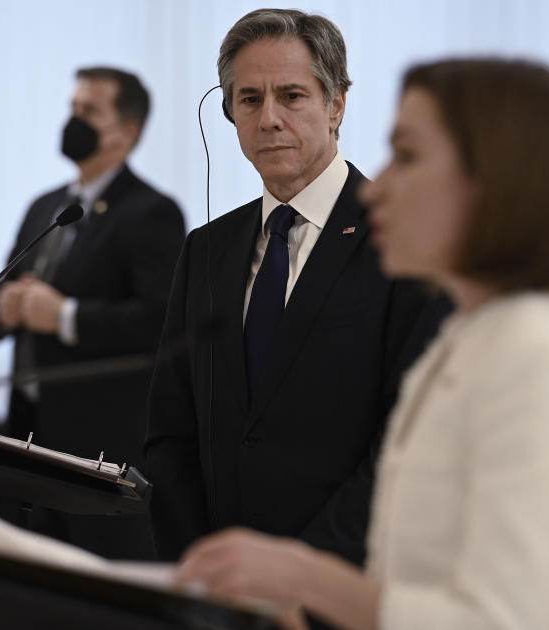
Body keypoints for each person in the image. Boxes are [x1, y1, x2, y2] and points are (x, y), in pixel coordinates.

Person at [175, 58, 549, 630]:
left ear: (500, 180)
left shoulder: (540, 356)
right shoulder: (470, 340)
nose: (378, 186)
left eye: (407, 156)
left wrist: (307, 578)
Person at [145, 8, 449, 566]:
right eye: (250, 99)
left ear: (336, 105)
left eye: (291, 96)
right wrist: (199, 565)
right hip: (218, 588)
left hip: (344, 582)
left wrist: (301, 576)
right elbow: (171, 431)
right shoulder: (205, 251)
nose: (269, 119)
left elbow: (409, 444)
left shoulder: (402, 243)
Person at [0, 66, 185, 559]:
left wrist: (66, 316)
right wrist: (7, 305)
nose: (73, 121)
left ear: (127, 132)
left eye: (89, 112)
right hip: (25, 426)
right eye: (72, 109)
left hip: (99, 440)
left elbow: (158, 320)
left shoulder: (153, 212)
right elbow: (0, 291)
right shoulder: (45, 206)